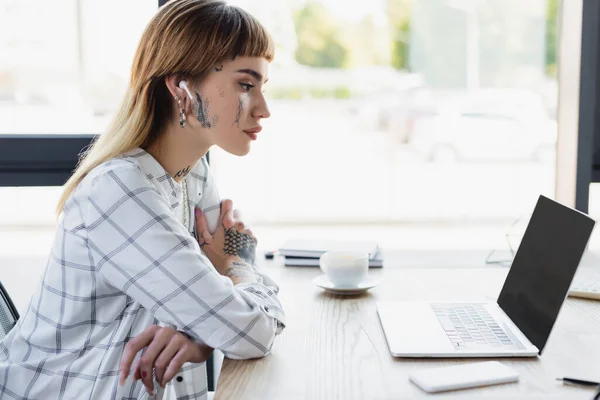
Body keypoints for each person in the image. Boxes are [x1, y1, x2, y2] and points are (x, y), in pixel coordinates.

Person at [0, 0, 285, 398]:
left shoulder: (192, 172)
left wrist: (200, 333)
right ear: (180, 87)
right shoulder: (119, 192)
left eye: (262, 87)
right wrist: (240, 265)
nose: (264, 109)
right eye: (245, 84)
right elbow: (249, 328)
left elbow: (220, 310)